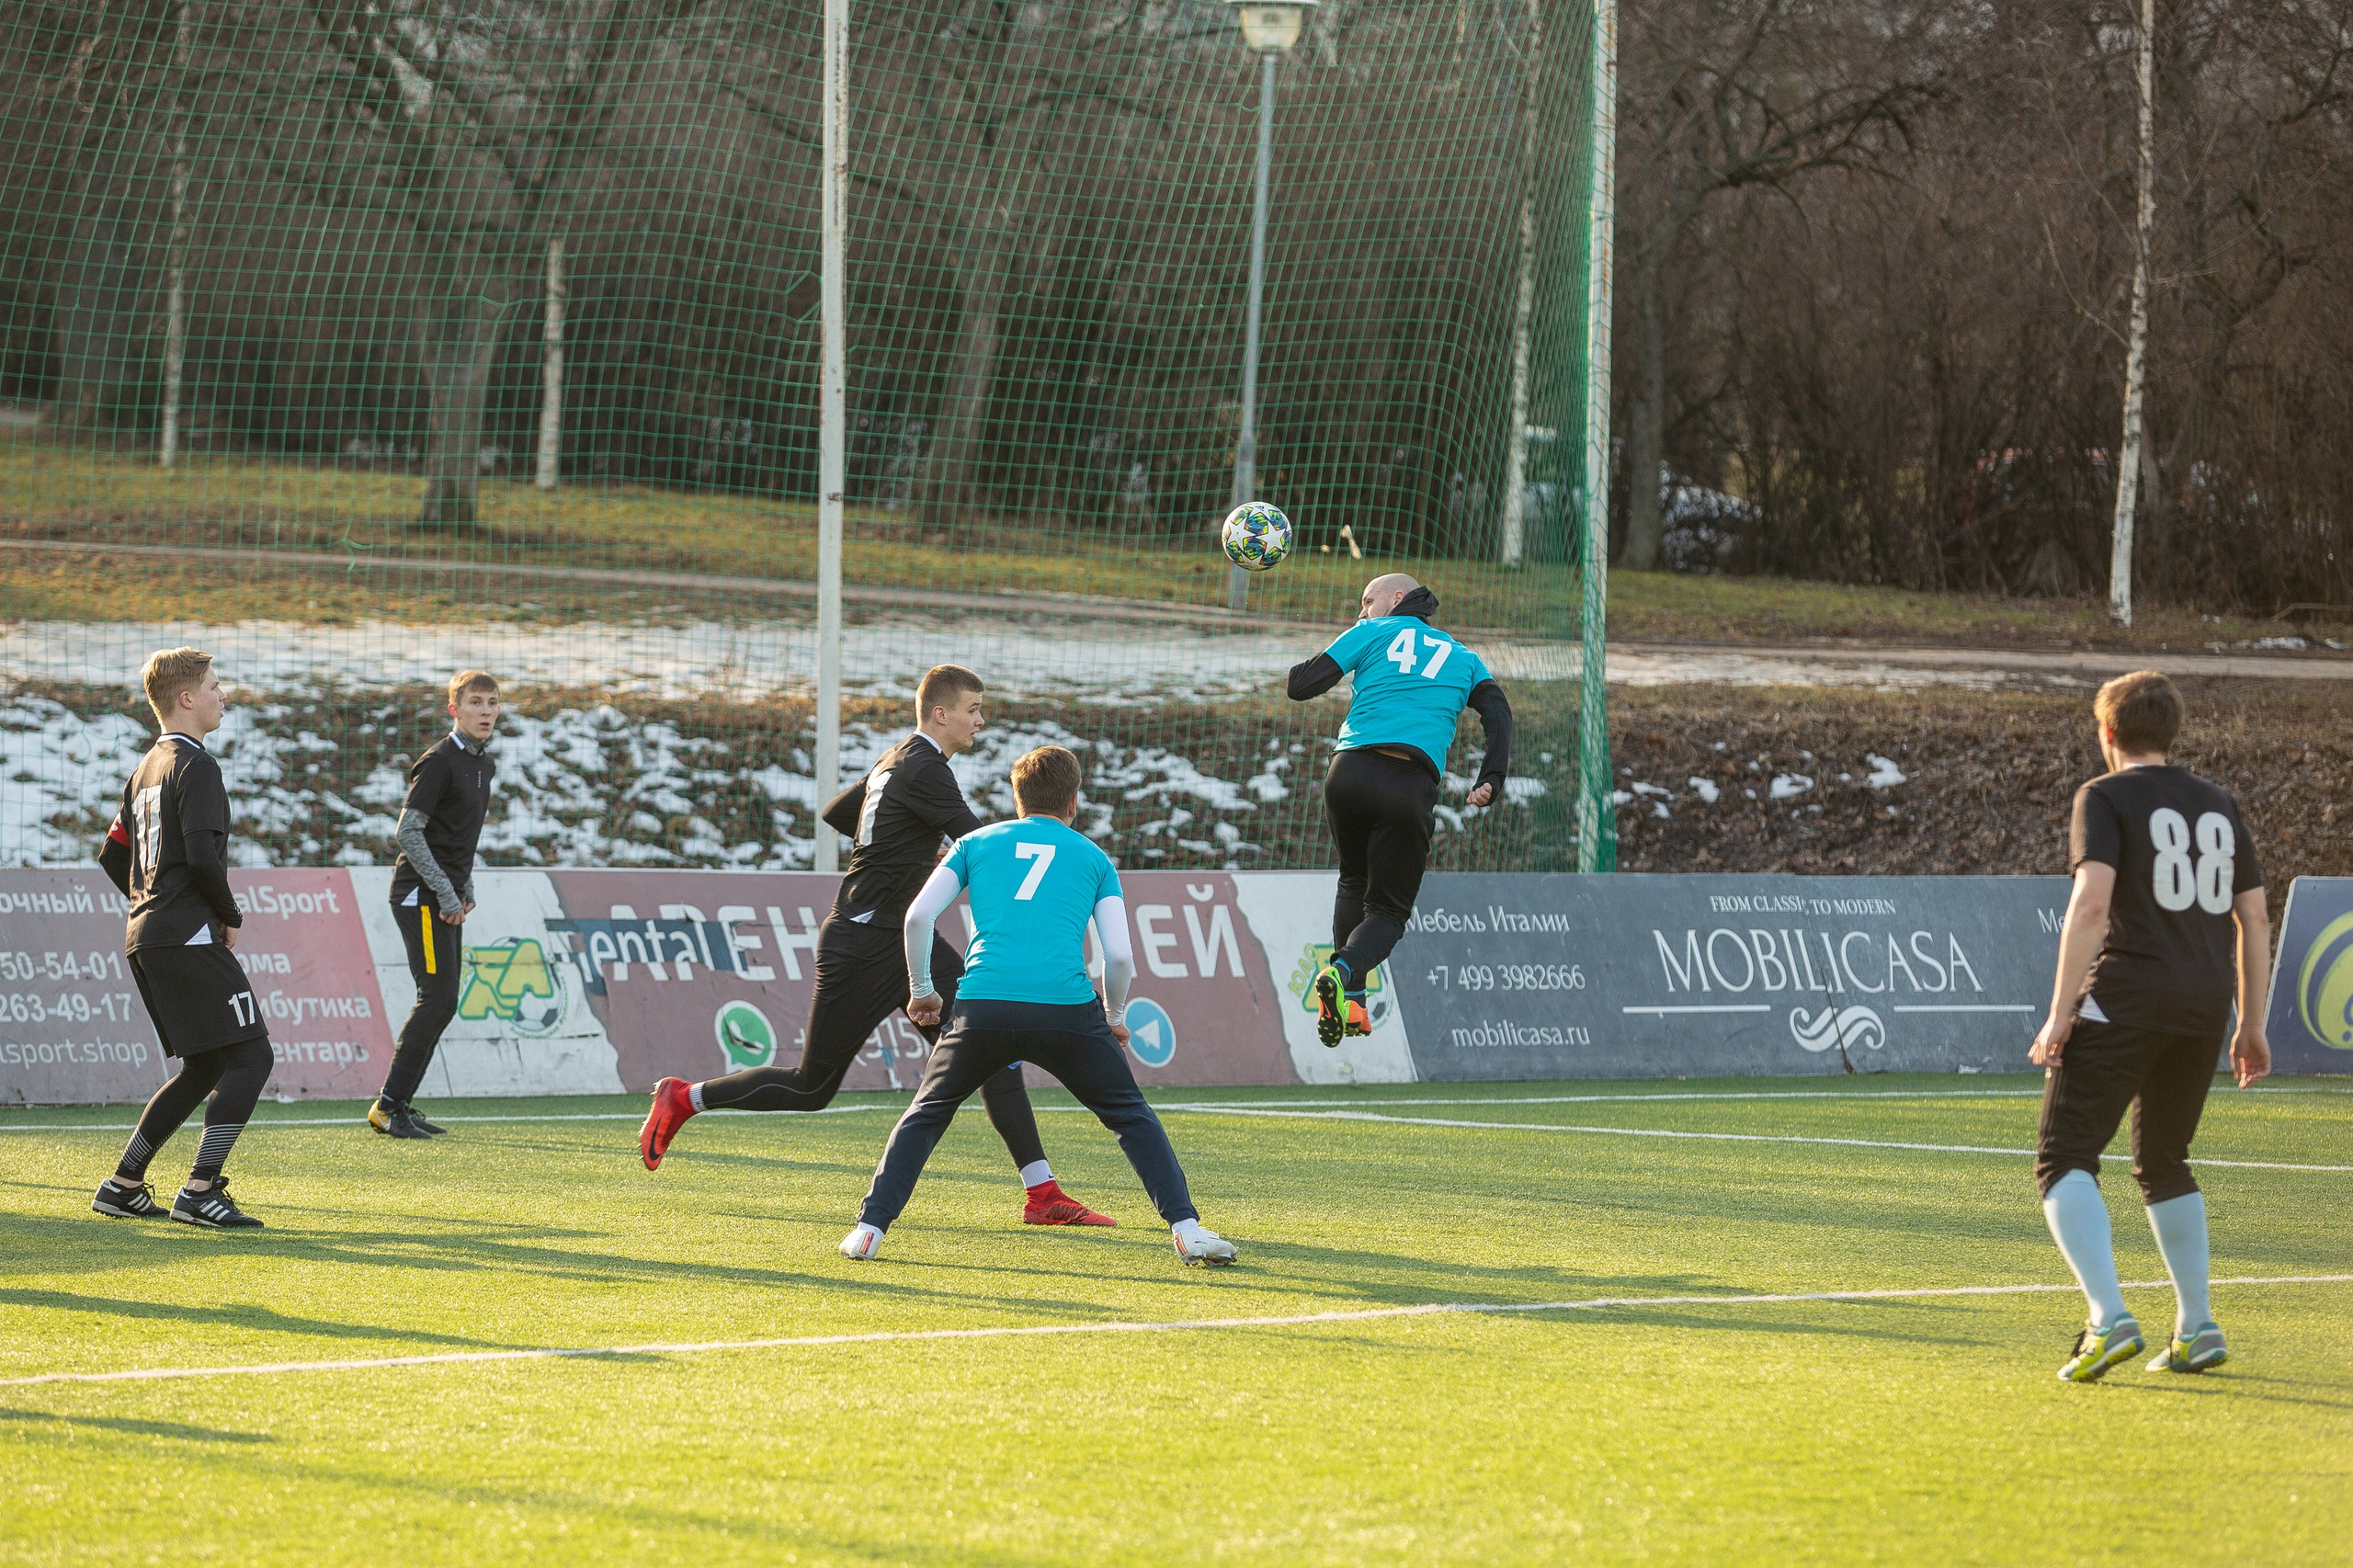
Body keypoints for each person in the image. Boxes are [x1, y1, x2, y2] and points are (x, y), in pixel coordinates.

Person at [639, 665, 1110, 1228]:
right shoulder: (926, 769)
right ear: (942, 713)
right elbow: (987, 844)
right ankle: (685, 1098)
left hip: (903, 936)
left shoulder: (899, 760)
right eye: (974, 709)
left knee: (991, 1048)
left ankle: (1042, 1194)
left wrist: (909, 849)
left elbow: (842, 813)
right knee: (812, 1087)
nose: (980, 721)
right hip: (863, 940)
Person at [837, 745, 1236, 1266]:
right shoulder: (1093, 858)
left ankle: (869, 1230)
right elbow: (1118, 954)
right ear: (1074, 802)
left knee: (928, 1113)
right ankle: (1187, 1230)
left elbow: (917, 918)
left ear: (1016, 797)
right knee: (1130, 1116)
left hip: (983, 1007)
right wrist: (1113, 1019)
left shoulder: (975, 843)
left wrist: (922, 991)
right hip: (1066, 1010)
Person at [2029, 670, 2270, 1383]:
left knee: (2062, 1155)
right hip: (2203, 1006)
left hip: (2128, 996)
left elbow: (2092, 904)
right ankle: (2196, 1326)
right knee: (2165, 1160)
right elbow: (2254, 915)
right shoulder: (2218, 803)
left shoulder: (2102, 796)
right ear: (2174, 733)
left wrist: (2059, 1012)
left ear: (2107, 733)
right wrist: (2251, 1022)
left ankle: (2108, 1318)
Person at [1286, 573, 1512, 1046]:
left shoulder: (1370, 632)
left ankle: (1353, 1004)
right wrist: (1490, 776)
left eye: (1367, 601)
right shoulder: (1464, 657)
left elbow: (1302, 685)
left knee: (1353, 880)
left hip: (1346, 775)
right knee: (1387, 913)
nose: (1362, 610)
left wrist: (1333, 644)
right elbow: (1498, 712)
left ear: (1396, 599)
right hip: (1407, 783)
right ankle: (1343, 970)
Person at [89, 647, 272, 1229]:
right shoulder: (198, 766)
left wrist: (153, 907)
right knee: (252, 1055)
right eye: (216, 686)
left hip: (147, 934)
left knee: (203, 1064)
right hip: (185, 933)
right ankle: (199, 1189)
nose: (225, 696)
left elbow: (112, 856)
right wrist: (227, 914)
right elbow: (201, 856)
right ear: (187, 698)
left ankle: (123, 1184)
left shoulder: (146, 768)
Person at [371, 669, 503, 1140]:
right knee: (439, 997)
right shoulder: (439, 761)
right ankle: (388, 1108)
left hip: (445, 896)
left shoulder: (484, 764)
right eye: (476, 703)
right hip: (418, 896)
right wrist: (447, 893)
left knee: (443, 1001)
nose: (486, 711)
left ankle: (399, 1104)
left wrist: (463, 887)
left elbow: (457, 838)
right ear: (455, 710)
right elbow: (408, 832)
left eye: (492, 703)